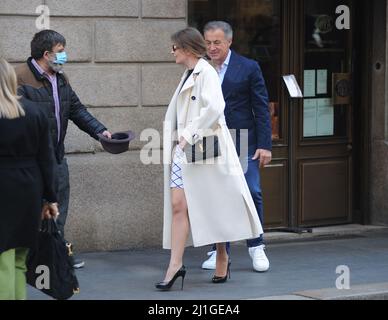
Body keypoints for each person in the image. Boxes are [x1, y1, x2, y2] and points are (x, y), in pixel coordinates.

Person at [156, 27, 263, 291]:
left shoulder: (207, 73)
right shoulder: (188, 74)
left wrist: (187, 134)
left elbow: (216, 108)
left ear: (187, 49)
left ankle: (223, 256)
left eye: (174, 47)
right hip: (186, 150)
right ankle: (175, 265)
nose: (172, 52)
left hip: (206, 149)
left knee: (214, 204)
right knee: (178, 205)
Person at [15, 30, 111, 269]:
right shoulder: (20, 78)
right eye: (60, 52)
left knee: (58, 207)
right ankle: (27, 258)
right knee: (31, 210)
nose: (64, 56)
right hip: (28, 160)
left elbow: (76, 110)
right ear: (46, 54)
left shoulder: (61, 79)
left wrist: (101, 132)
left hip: (55, 157)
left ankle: (55, 255)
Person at [201, 21, 272, 272]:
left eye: (216, 42)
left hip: (244, 139)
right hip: (210, 141)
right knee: (215, 195)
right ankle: (218, 251)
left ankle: (256, 246)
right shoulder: (199, 69)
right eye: (208, 42)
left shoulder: (249, 67)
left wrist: (265, 145)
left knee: (250, 191)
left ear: (229, 42)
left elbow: (261, 107)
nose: (212, 47)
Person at [0, 58, 59, 300]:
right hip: (29, 188)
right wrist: (50, 198)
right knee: (19, 259)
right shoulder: (34, 112)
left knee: (2, 261)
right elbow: (47, 159)